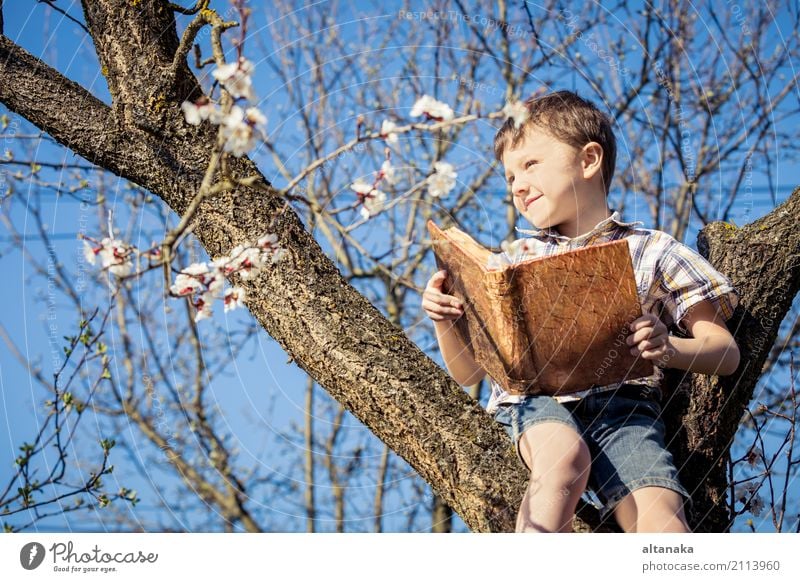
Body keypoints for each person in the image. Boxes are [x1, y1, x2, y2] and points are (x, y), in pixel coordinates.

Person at [421, 90, 740, 533]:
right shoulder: (514, 261)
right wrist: (445, 320)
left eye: (530, 164)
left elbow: (725, 352)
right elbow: (469, 374)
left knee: (663, 518)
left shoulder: (652, 249)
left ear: (589, 160)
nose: (516, 185)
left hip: (624, 409)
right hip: (535, 402)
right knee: (563, 459)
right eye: (509, 176)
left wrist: (670, 349)